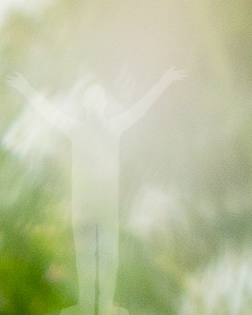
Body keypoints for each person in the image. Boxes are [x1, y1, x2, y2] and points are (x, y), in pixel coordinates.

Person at [7, 69, 184, 314]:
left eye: (98, 99)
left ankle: (104, 305)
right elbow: (48, 112)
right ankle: (87, 305)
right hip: (85, 205)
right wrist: (26, 88)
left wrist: (164, 81)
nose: (95, 104)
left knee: (108, 255)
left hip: (106, 204)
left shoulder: (113, 127)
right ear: (87, 105)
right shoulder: (76, 128)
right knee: (86, 256)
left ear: (102, 104)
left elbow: (142, 108)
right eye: (91, 100)